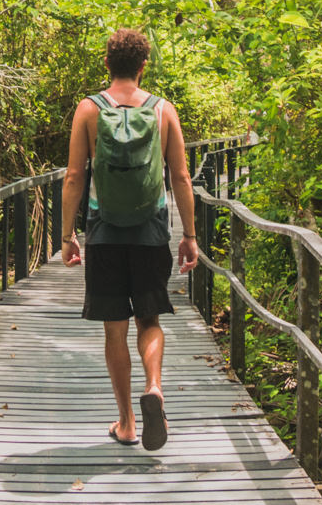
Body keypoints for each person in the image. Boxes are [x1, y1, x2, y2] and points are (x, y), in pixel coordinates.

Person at [60, 27, 198, 451]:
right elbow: (179, 177)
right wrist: (189, 235)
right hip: (151, 228)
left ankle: (126, 422)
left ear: (107, 63)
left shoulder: (88, 109)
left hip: (103, 231)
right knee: (149, 319)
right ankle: (154, 387)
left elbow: (74, 176)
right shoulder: (162, 110)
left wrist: (67, 235)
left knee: (114, 330)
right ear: (143, 66)